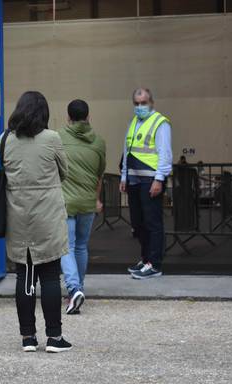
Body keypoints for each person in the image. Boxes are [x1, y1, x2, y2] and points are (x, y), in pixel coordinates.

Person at [1, 91, 72, 353]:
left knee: (25, 275)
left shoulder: (4, 140)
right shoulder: (52, 138)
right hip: (47, 215)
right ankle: (54, 337)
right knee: (51, 276)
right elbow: (64, 171)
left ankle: (27, 338)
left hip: (18, 216)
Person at [58, 99, 106, 314]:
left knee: (67, 246)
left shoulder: (58, 138)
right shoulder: (99, 142)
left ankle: (74, 289)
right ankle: (78, 289)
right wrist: (96, 199)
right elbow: (99, 175)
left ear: (68, 117)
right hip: (87, 202)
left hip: (65, 202)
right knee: (81, 246)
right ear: (89, 117)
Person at [119, 88, 172, 280]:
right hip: (134, 179)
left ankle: (155, 264)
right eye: (136, 103)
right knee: (138, 223)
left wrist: (159, 179)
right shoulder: (133, 122)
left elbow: (164, 153)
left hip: (150, 181)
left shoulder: (160, 123)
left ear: (152, 102)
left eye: (144, 103)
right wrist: (124, 176)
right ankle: (146, 259)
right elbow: (127, 150)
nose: (140, 107)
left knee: (152, 223)